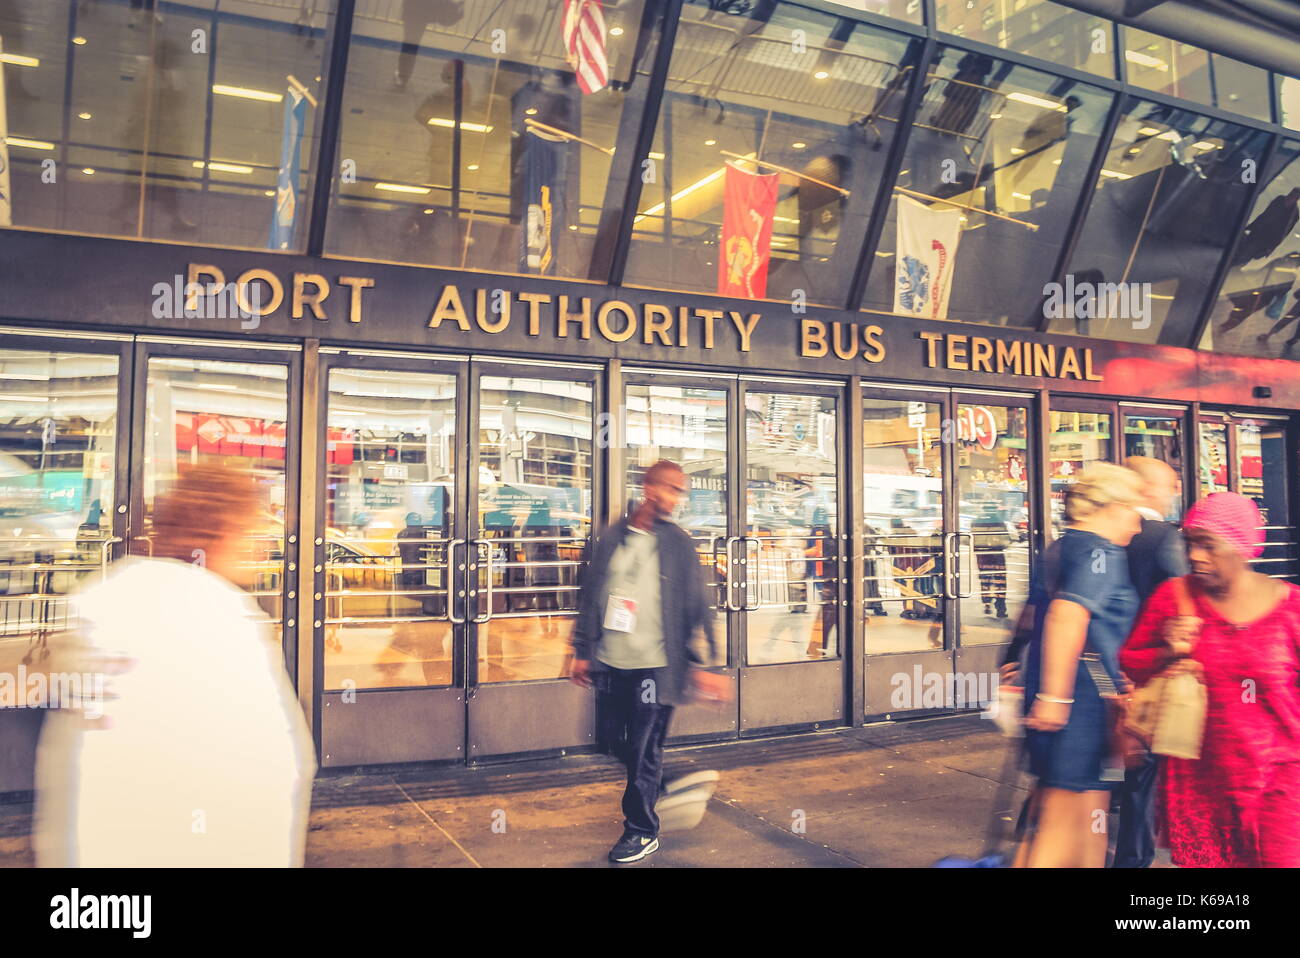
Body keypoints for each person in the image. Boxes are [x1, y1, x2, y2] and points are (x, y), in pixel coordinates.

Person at [33, 465, 315, 866]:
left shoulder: (105, 596)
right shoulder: (218, 613)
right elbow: (265, 761)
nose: (260, 549)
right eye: (251, 532)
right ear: (218, 533)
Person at [1120, 492, 1300, 867]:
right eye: (1189, 542)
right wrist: (1169, 651)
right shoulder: (1174, 597)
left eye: (1208, 545)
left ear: (1242, 548)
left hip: (1281, 782)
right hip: (1199, 787)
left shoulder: (1292, 608)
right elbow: (1132, 663)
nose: (1196, 555)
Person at [568, 460, 731, 864]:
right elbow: (592, 594)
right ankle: (661, 782)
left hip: (657, 667)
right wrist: (582, 650)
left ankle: (641, 831)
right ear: (649, 487)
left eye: (680, 492)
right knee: (612, 740)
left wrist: (707, 664)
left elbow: (698, 605)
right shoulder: (612, 537)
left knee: (643, 748)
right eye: (671, 489)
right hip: (612, 661)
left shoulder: (678, 542)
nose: (675, 499)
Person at [1020, 463, 1144, 868]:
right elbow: (1067, 614)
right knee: (1060, 827)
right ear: (1108, 506)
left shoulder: (1062, 547)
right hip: (1082, 707)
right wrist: (1055, 697)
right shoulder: (1101, 553)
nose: (1138, 525)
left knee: (1088, 819)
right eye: (1133, 510)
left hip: (1074, 700)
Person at [1113, 456, 1188, 868]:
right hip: (1147, 668)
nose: (1175, 492)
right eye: (1169, 484)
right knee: (1143, 773)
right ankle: (1132, 858)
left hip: (1102, 665)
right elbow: (1185, 598)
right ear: (1146, 489)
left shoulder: (1103, 536)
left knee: (1112, 762)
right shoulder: (1163, 537)